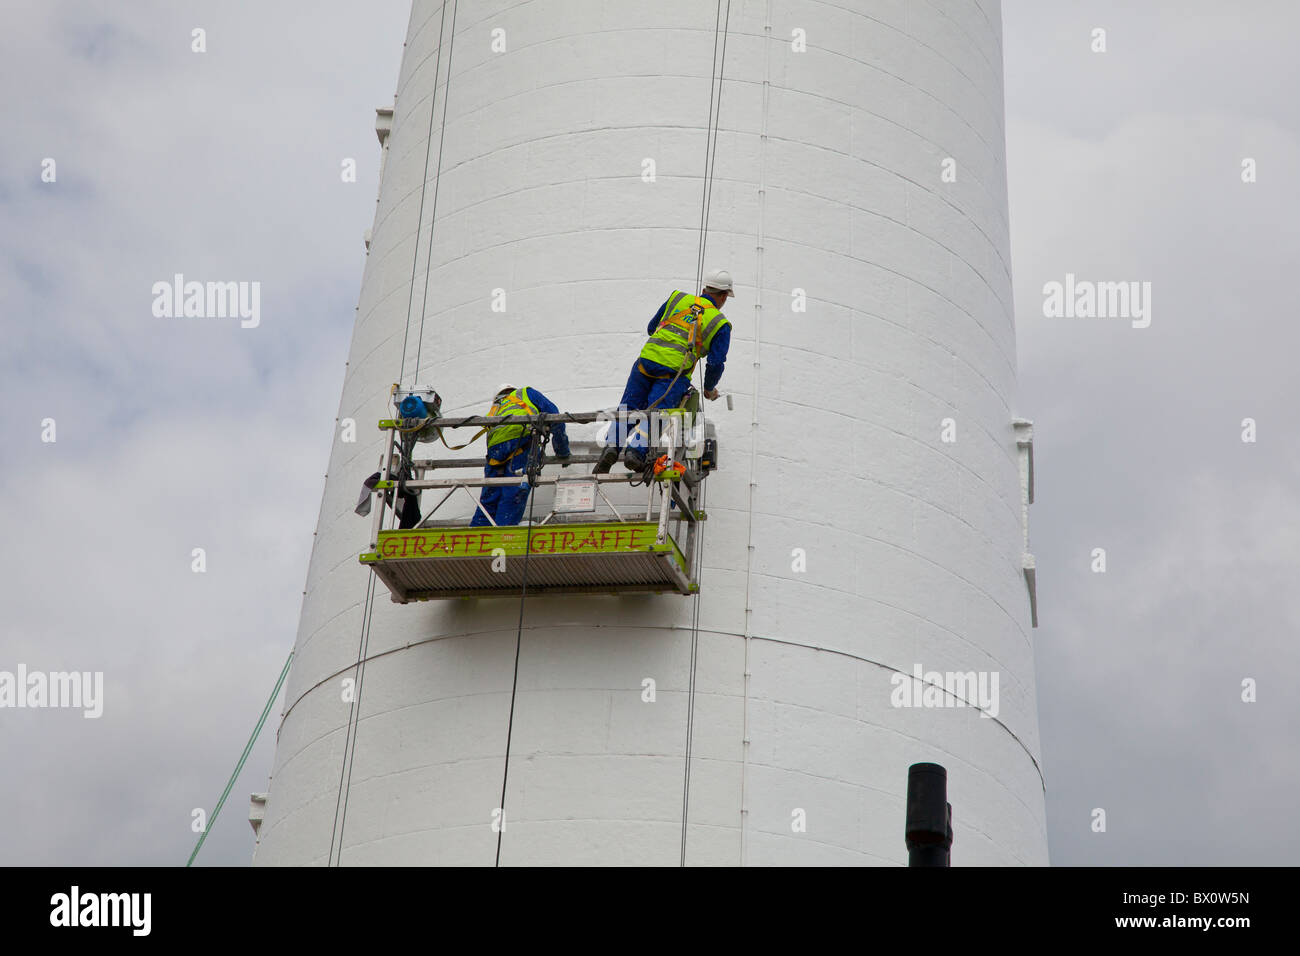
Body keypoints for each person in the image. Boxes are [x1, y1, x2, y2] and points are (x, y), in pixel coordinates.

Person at [594, 268, 734, 474]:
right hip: (673, 373)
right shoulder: (720, 323)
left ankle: (611, 448)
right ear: (723, 296)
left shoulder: (677, 298)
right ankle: (635, 452)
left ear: (704, 289)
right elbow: (716, 363)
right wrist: (709, 389)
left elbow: (652, 327)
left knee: (628, 408)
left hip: (645, 362)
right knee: (657, 414)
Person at [470, 385, 571, 527]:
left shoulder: (496, 408)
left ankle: (474, 540)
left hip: (494, 457)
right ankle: (501, 539)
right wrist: (562, 451)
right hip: (520, 449)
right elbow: (555, 416)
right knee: (513, 496)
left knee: (488, 502)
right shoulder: (526, 393)